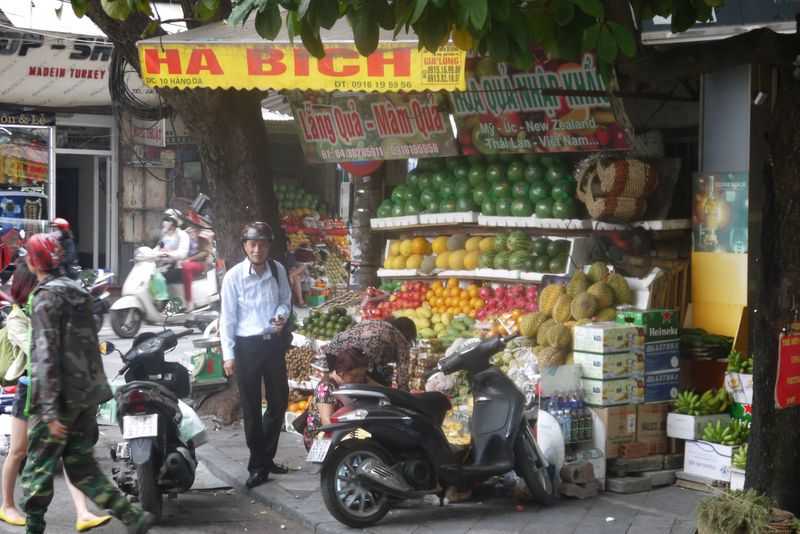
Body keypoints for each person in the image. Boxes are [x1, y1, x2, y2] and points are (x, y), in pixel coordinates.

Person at [20, 233, 155, 534]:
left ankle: (33, 527)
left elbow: (45, 357)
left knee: (38, 468)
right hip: (87, 397)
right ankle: (132, 516)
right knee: (82, 467)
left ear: (34, 262)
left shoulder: (45, 299)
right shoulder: (79, 293)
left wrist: (51, 412)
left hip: (59, 399)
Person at [0, 261, 112, 531]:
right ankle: (7, 505)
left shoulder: (47, 306)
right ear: (28, 286)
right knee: (18, 451)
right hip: (29, 390)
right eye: (39, 283)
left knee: (70, 452)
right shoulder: (18, 316)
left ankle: (83, 512)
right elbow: (36, 347)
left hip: (55, 390)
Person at [220, 222, 292, 489]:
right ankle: (257, 465)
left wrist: (281, 316)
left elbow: (285, 300)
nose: (257, 249)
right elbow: (226, 318)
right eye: (252, 244)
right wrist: (229, 355)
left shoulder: (278, 270)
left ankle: (266, 456)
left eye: (262, 244)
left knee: (278, 400)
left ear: (269, 246)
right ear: (244, 247)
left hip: (272, 344)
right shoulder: (234, 277)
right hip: (246, 347)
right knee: (251, 408)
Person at [324, 317, 417, 389]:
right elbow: (402, 377)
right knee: (359, 384)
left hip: (333, 347)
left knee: (333, 385)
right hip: (356, 356)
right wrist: (402, 397)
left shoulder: (377, 323)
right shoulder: (401, 340)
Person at [303, 348, 367, 450]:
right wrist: (352, 434)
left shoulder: (348, 383)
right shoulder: (326, 387)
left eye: (361, 376)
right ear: (341, 372)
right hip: (321, 436)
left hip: (340, 430)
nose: (359, 379)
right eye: (355, 376)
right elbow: (327, 422)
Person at [180, 226, 214, 311]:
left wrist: (189, 260)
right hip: (184, 261)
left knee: (186, 268)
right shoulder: (186, 234)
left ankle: (189, 301)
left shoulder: (204, 236)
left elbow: (205, 252)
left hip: (200, 263)